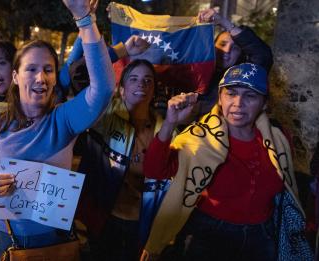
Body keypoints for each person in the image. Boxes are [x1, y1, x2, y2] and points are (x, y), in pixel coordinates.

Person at [0, 0, 115, 259]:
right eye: (31, 69)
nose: (40, 78)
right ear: (16, 77)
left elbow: (103, 89)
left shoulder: (63, 121)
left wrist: (85, 20)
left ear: (55, 78)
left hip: (51, 240)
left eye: (48, 70)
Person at [140, 63, 306, 260]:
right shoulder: (200, 138)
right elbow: (154, 170)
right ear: (220, 98)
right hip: (209, 236)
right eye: (231, 93)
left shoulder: (278, 139)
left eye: (250, 96)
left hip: (262, 236)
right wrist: (169, 123)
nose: (238, 103)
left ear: (264, 104)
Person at [75, 58, 159, 261]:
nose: (142, 84)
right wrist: (122, 51)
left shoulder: (164, 129)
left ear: (154, 90)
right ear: (121, 89)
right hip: (101, 220)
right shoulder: (103, 118)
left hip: (142, 225)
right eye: (134, 79)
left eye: (148, 80)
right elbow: (77, 72)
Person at [196, 8, 273, 116]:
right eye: (222, 44)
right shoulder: (196, 68)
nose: (227, 51)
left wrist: (223, 22)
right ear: (213, 47)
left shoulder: (242, 76)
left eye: (235, 48)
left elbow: (262, 54)